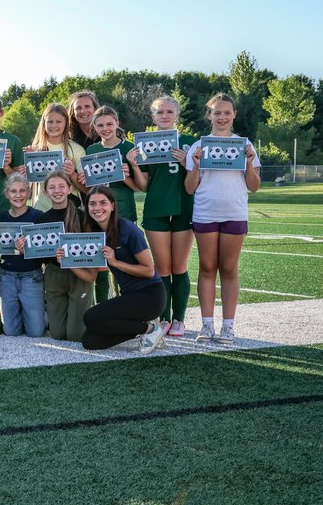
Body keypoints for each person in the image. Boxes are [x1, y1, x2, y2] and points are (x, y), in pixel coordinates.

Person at [184, 93, 261, 343]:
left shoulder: (245, 145)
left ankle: (228, 326)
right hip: (206, 212)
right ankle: (207, 325)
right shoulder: (198, 146)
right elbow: (189, 188)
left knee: (228, 269)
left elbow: (254, 186)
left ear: (234, 114)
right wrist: (195, 165)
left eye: (227, 112)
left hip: (234, 212)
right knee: (207, 267)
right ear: (209, 115)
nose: (222, 117)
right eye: (217, 112)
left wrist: (249, 163)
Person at [128, 95, 196, 337]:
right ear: (153, 117)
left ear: (177, 115)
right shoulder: (145, 144)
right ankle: (164, 317)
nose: (165, 116)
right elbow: (144, 186)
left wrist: (189, 162)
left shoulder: (191, 142)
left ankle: (179, 319)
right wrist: (135, 165)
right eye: (160, 112)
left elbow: (196, 182)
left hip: (183, 208)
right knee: (163, 268)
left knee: (179, 266)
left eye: (169, 112)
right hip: (156, 209)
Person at [69, 187, 167, 352]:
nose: (97, 208)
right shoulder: (96, 234)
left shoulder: (128, 229)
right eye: (92, 204)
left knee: (90, 317)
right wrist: (69, 261)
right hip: (129, 296)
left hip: (150, 296)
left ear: (113, 206)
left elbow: (149, 271)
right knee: (91, 341)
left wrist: (115, 262)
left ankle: (151, 329)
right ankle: (141, 330)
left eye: (103, 203)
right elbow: (92, 276)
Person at [80, 105, 140, 303]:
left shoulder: (128, 148)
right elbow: (90, 188)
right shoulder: (92, 149)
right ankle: (103, 307)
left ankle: (129, 306)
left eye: (109, 124)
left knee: (124, 260)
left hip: (123, 210)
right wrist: (81, 178)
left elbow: (139, 187)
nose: (105, 128)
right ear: (94, 127)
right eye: (100, 125)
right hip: (98, 212)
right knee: (101, 262)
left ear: (117, 123)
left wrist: (126, 175)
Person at [38, 171, 92, 341]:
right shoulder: (42, 221)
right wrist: (24, 248)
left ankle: (90, 319)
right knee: (58, 334)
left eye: (62, 186)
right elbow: (40, 258)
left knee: (76, 335)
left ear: (70, 189)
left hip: (78, 275)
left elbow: (91, 251)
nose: (57, 190)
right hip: (55, 274)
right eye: (52, 187)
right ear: (46, 192)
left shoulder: (82, 217)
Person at [0, 173, 46, 337]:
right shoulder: (1, 218)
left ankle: (43, 314)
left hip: (32, 276)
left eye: (22, 191)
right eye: (13, 191)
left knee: (36, 332)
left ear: (29, 192)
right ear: (7, 193)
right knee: (11, 331)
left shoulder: (38, 216)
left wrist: (27, 250)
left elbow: (46, 252)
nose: (18, 195)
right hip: (7, 276)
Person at [27, 103, 83, 210]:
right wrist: (27, 168)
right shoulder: (34, 150)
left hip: (71, 212)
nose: (54, 125)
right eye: (50, 122)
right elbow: (25, 188)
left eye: (58, 122)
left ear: (66, 123)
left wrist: (72, 174)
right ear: (44, 123)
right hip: (42, 211)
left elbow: (87, 189)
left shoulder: (76, 149)